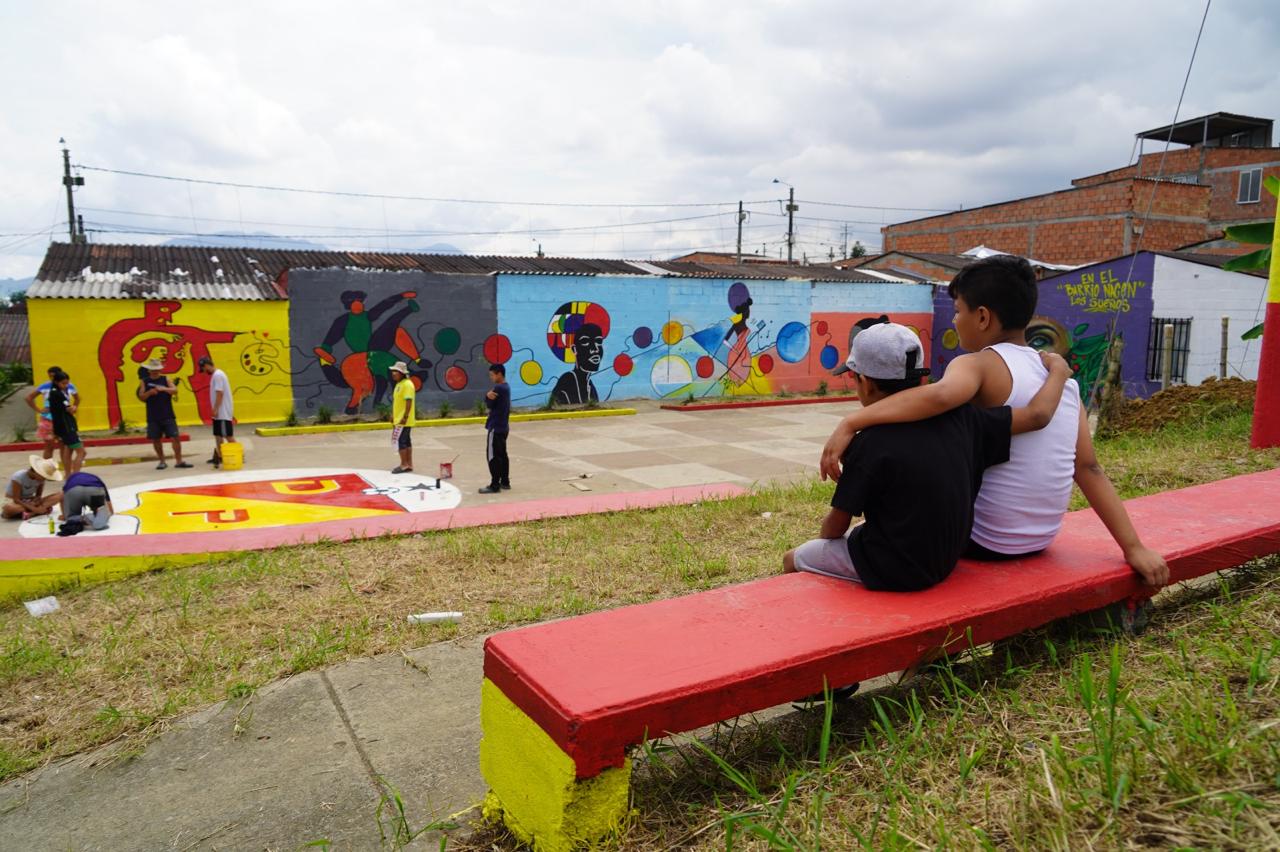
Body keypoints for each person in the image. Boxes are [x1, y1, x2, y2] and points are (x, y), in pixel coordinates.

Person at [819, 255, 1169, 588]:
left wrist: (852, 422)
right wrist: (1133, 547)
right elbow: (1089, 469)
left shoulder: (977, 364)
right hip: (1040, 538)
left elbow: (939, 397)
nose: (954, 320)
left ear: (982, 317)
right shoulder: (1062, 383)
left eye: (958, 311)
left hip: (981, 540)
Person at [784, 322, 1071, 592]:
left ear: (865, 383)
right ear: (922, 377)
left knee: (794, 556)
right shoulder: (966, 417)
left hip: (894, 569)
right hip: (948, 558)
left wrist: (823, 544)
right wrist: (1058, 372)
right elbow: (1037, 415)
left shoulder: (869, 441)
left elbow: (835, 527)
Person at [139, 358, 191, 470]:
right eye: (153, 370)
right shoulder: (144, 381)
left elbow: (175, 390)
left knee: (175, 437)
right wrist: (149, 393)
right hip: (153, 414)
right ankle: (162, 461)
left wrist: (164, 389)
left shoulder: (165, 379)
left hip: (167, 413)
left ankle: (179, 460)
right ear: (149, 370)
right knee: (156, 438)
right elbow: (141, 396)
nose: (155, 372)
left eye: (157, 369)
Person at [25, 366, 78, 460]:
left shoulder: (69, 386)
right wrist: (39, 410)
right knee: (49, 446)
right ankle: (46, 469)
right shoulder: (46, 386)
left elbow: (77, 398)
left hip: (62, 419)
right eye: (50, 377)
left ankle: (66, 469)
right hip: (48, 419)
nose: (52, 379)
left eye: (54, 376)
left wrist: (73, 407)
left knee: (64, 446)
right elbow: (29, 398)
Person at [479, 363, 511, 494]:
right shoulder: (506, 387)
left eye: (492, 375)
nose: (491, 377)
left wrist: (487, 396)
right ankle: (505, 481)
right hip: (503, 426)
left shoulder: (498, 388)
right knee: (502, 455)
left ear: (499, 374)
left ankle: (494, 484)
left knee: (492, 456)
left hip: (496, 427)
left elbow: (489, 404)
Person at [47, 371, 86, 475]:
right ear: (56, 382)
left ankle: (68, 475)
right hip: (67, 427)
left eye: (67, 383)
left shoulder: (54, 392)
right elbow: (69, 409)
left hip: (60, 426)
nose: (66, 385)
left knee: (68, 450)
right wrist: (73, 407)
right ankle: (75, 475)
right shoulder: (58, 394)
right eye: (63, 383)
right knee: (81, 452)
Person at [199, 356, 235, 467]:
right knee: (218, 435)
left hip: (222, 412)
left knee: (227, 435)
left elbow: (220, 393)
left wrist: (215, 409)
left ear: (206, 365)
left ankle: (239, 454)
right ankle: (220, 456)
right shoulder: (216, 375)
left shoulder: (218, 375)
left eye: (203, 369)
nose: (204, 372)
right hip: (219, 413)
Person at [390, 361, 416, 474]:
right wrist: (393, 415)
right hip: (399, 418)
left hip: (403, 420)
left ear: (402, 373)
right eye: (393, 371)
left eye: (396, 371)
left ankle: (404, 464)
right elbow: (397, 402)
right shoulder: (399, 384)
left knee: (402, 441)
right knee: (406, 441)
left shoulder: (407, 384)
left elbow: (408, 401)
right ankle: (409, 464)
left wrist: (405, 417)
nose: (393, 373)